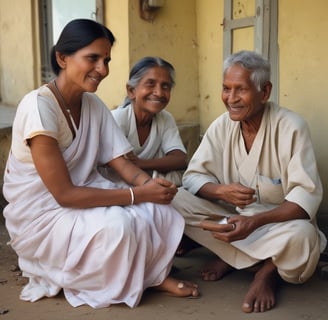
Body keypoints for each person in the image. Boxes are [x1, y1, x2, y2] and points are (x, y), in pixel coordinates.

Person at [2, 19, 199, 309]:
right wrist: (136, 194)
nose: (103, 69)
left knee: (160, 210)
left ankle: (146, 273)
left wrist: (150, 186)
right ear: (62, 58)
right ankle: (144, 278)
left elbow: (124, 165)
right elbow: (64, 195)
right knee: (117, 226)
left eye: (105, 60)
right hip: (43, 214)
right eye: (92, 58)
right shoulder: (38, 107)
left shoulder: (93, 105)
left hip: (85, 195)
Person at [172, 50, 326, 313]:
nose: (230, 99)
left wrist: (255, 222)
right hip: (234, 222)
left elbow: (305, 201)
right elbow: (193, 178)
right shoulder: (222, 126)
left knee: (305, 237)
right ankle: (244, 258)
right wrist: (220, 191)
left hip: (277, 226)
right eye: (225, 88)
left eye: (240, 90)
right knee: (174, 198)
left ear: (264, 92)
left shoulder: (290, 126)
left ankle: (265, 272)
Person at [100, 56, 187, 187]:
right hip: (115, 187)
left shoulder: (165, 118)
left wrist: (142, 163)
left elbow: (180, 159)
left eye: (165, 86)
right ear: (131, 91)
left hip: (146, 183)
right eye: (150, 84)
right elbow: (119, 165)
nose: (159, 92)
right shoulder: (117, 119)